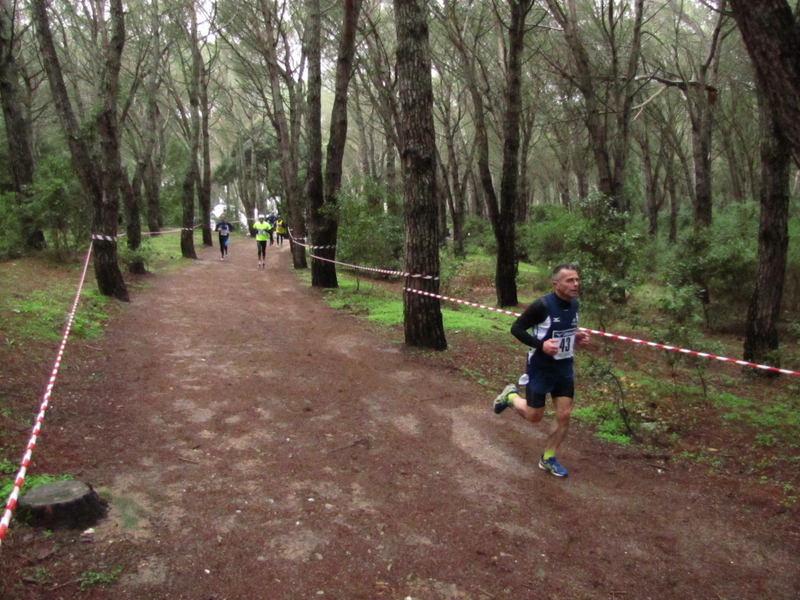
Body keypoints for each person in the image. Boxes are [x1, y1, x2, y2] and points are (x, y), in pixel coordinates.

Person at [493, 264, 590, 477]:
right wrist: (541, 345)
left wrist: (576, 336)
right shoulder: (542, 306)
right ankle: (510, 397)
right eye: (570, 281)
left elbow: (566, 328)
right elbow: (516, 328)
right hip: (540, 368)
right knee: (534, 416)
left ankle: (548, 457)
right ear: (556, 285)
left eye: (577, 280)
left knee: (564, 413)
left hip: (564, 367)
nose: (576, 284)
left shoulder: (574, 304)